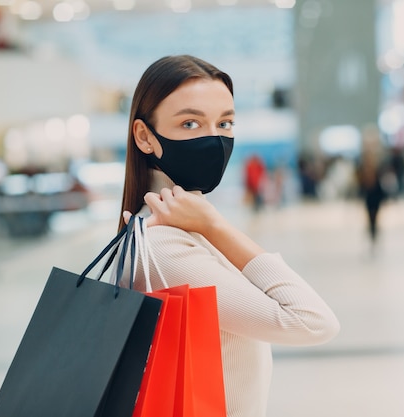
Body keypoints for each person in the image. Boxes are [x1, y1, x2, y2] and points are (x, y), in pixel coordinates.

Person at [117, 55, 340, 417]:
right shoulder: (164, 245)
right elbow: (313, 321)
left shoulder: (172, 231)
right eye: (190, 123)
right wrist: (216, 226)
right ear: (145, 137)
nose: (214, 138)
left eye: (225, 122)